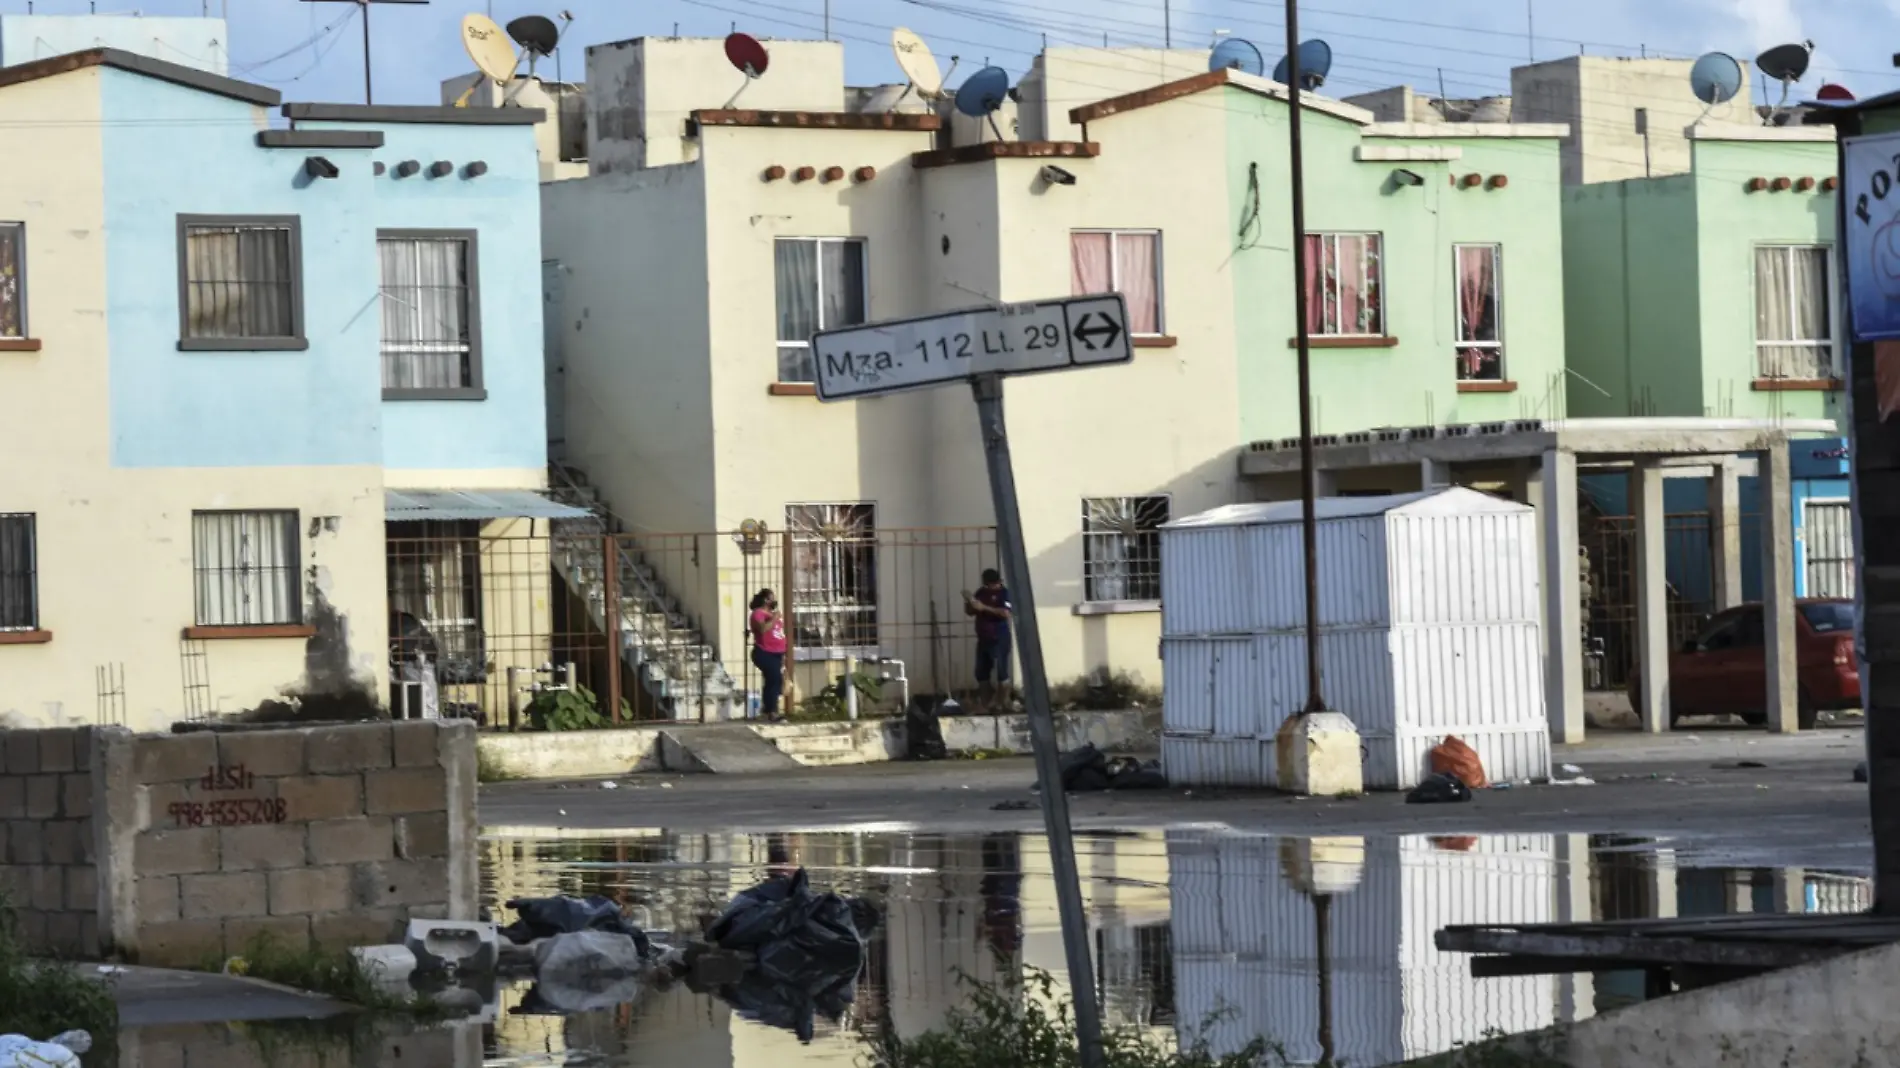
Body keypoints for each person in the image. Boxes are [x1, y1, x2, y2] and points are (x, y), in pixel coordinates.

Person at [964, 568, 1013, 708]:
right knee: (981, 671)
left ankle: (1003, 701)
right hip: (983, 638)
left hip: (999, 637)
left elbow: (1005, 613)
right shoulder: (981, 592)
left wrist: (984, 608)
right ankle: (986, 702)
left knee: (1001, 670)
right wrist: (970, 604)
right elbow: (970, 612)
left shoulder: (1004, 593)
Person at [749, 588, 787, 721]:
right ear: (766, 600)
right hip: (764, 652)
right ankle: (772, 711)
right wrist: (775, 618)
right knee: (774, 679)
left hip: (777, 653)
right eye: (773, 598)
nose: (775, 601)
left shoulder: (772, 614)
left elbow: (779, 633)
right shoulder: (758, 614)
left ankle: (768, 709)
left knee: (774, 681)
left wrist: (783, 654)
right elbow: (763, 629)